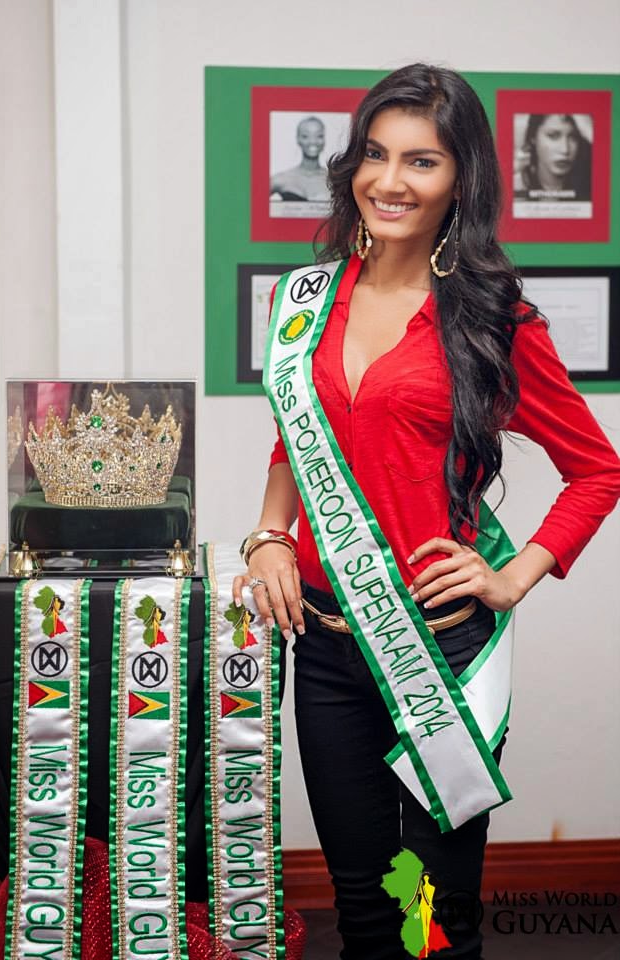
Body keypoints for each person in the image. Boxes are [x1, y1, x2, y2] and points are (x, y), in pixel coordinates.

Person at [234, 64, 620, 960]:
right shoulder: (305, 300)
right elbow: (299, 439)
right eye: (375, 154)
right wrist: (269, 537)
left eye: (421, 161)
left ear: (460, 179)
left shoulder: (490, 317)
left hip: (438, 648)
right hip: (324, 645)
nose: (389, 181)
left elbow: (597, 470)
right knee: (364, 911)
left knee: (434, 921)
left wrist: (513, 577)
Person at [514, 113, 592, 201]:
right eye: (553, 136)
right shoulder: (514, 187)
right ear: (533, 138)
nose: (565, 149)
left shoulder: (593, 185)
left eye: (574, 137)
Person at [270, 115, 330, 202]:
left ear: (324, 140)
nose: (313, 141)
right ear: (298, 139)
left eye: (319, 136)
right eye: (305, 136)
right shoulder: (281, 179)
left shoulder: (335, 180)